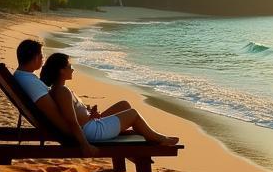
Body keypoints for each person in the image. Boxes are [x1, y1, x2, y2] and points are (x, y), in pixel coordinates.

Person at [13, 39, 178, 155]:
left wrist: (85, 113)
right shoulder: (48, 87)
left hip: (89, 124)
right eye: (41, 56)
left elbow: (64, 114)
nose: (42, 59)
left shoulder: (27, 79)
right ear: (35, 58)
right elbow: (69, 122)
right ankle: (157, 138)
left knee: (124, 105)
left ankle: (140, 132)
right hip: (90, 132)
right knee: (133, 113)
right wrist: (85, 145)